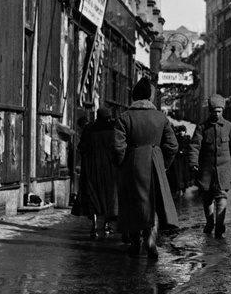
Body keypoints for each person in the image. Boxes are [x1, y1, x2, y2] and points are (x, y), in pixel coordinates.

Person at [112, 77, 179, 258]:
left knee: (133, 204)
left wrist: (121, 165)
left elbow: (118, 147)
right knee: (153, 204)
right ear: (150, 97)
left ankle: (135, 242)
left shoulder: (125, 117)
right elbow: (173, 146)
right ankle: (151, 238)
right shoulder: (161, 118)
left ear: (134, 96)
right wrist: (163, 164)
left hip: (132, 164)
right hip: (155, 163)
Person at [188, 94, 231, 238]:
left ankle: (219, 225)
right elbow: (194, 147)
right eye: (214, 111)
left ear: (223, 111)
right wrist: (193, 163)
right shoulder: (202, 128)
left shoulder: (229, 127)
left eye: (219, 111)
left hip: (223, 171)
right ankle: (210, 222)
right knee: (207, 199)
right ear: (209, 111)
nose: (217, 114)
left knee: (222, 197)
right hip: (206, 171)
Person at [77, 107, 119, 239]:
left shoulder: (89, 130)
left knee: (92, 194)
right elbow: (117, 148)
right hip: (109, 166)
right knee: (107, 195)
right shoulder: (113, 131)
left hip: (92, 165)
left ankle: (94, 225)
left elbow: (82, 148)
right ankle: (106, 224)